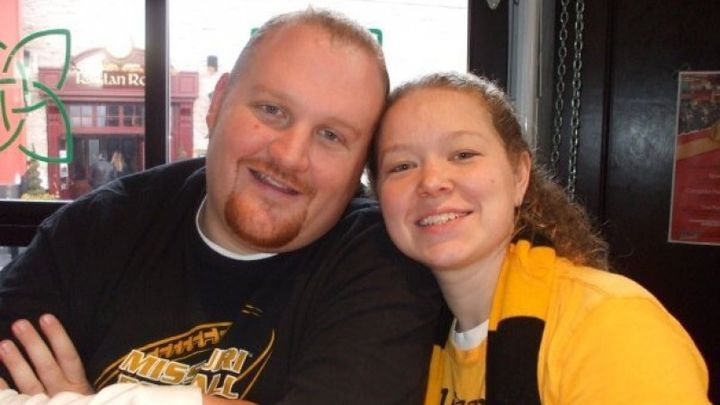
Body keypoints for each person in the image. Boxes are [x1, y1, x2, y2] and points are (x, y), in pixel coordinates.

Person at [0, 9, 441, 404]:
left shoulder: (383, 260)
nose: (290, 156)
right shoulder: (94, 230)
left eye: (331, 135)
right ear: (217, 103)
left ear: (361, 165)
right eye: (272, 110)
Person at [368, 72, 711, 404]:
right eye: (401, 166)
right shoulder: (410, 345)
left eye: (463, 155)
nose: (431, 182)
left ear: (519, 175)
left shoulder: (609, 323)